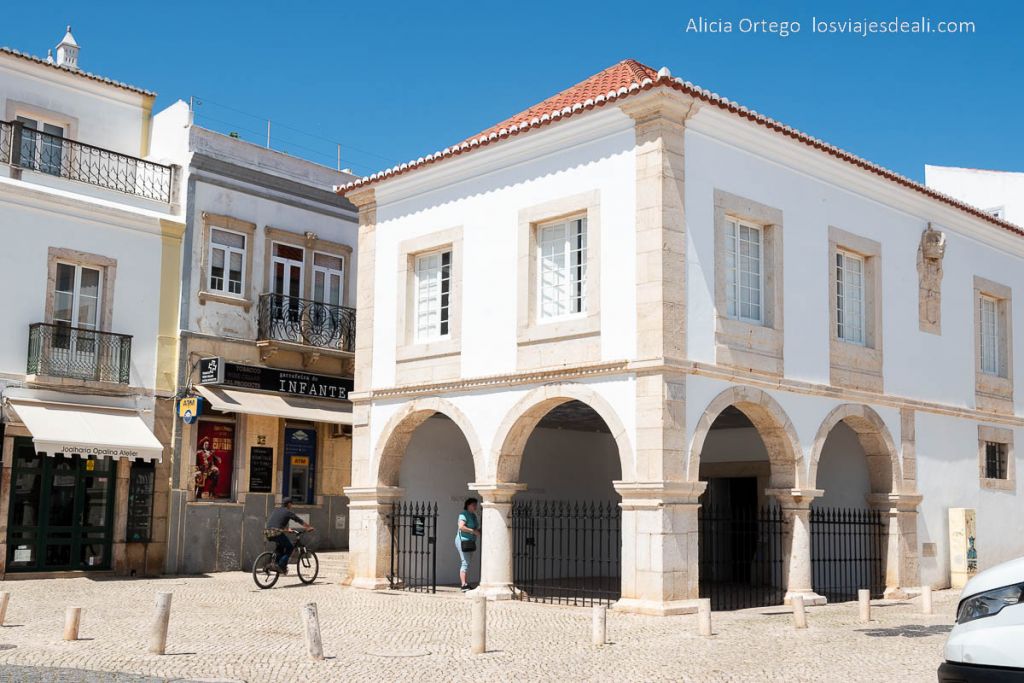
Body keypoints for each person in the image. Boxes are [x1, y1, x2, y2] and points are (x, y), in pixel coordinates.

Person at [264, 497, 313, 574]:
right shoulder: (288, 512)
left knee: (280, 546)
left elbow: (276, 523)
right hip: (276, 532)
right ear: (289, 504)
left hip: (267, 532)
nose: (291, 506)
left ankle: (273, 564)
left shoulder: (276, 510)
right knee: (290, 547)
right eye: (291, 504)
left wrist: (287, 530)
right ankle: (281, 565)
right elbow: (298, 520)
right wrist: (308, 527)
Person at [456, 497, 480, 591]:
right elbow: (461, 527)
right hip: (463, 541)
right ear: (468, 505)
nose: (475, 507)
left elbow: (475, 528)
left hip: (470, 541)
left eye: (476, 505)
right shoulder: (463, 514)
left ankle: (465, 583)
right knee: (465, 562)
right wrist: (473, 531)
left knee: (467, 562)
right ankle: (463, 585)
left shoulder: (473, 515)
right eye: (473, 505)